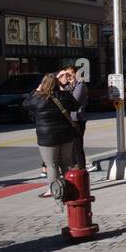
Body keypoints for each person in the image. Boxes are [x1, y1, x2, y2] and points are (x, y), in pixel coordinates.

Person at [26, 73, 79, 211]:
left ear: (43, 84)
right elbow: (76, 105)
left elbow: (26, 104)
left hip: (47, 138)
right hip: (66, 135)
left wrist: (36, 90)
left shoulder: (38, 98)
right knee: (66, 163)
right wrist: (64, 91)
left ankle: (55, 191)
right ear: (57, 84)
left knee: (51, 165)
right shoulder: (64, 96)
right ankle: (69, 188)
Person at [58, 65, 90, 171]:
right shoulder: (67, 86)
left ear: (76, 74)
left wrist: (63, 91)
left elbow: (74, 102)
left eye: (70, 73)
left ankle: (81, 170)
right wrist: (59, 79)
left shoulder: (80, 85)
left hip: (77, 119)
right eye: (66, 74)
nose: (68, 76)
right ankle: (73, 170)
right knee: (70, 149)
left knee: (77, 147)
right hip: (67, 119)